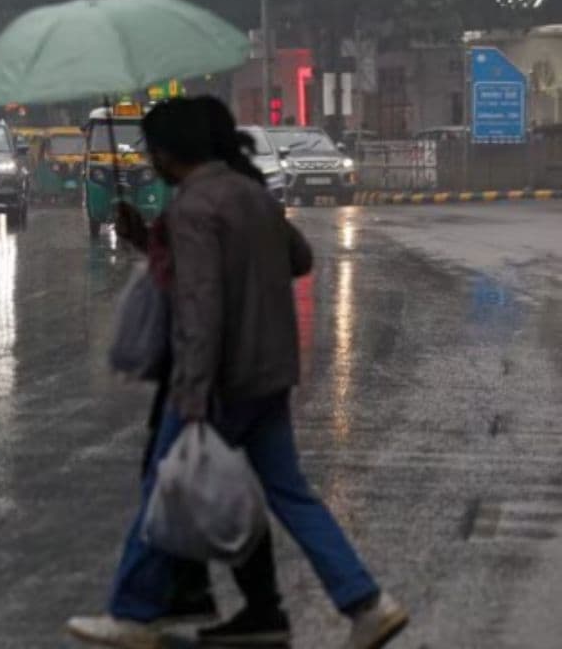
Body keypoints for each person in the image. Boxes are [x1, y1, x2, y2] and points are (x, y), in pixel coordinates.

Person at [70, 98, 408, 649]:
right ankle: (367, 603)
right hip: (270, 370)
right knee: (290, 493)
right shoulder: (250, 194)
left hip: (221, 380)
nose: (149, 160)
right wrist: (150, 237)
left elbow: (201, 305)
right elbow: (297, 258)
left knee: (166, 483)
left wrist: (194, 394)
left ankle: (132, 613)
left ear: (169, 153)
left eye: (152, 150)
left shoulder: (195, 208)